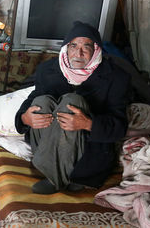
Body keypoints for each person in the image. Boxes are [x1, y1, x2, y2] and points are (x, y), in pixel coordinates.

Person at [14, 21, 131, 194]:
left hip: (87, 149)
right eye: (73, 46)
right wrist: (25, 118)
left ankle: (57, 177)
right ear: (66, 48)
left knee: (72, 101)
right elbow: (33, 99)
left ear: (96, 50)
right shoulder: (48, 69)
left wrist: (88, 124)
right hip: (48, 142)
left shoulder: (116, 77)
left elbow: (119, 127)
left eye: (86, 47)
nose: (79, 53)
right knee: (41, 102)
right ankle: (59, 173)